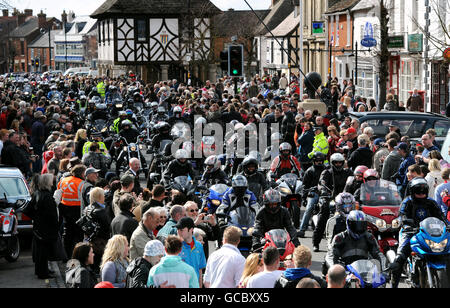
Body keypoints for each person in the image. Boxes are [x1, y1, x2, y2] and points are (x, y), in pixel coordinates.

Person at [390, 178, 448, 288]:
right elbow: (402, 216)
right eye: (418, 190)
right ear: (412, 191)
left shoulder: (431, 202)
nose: (421, 193)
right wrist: (406, 224)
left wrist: (447, 224)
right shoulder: (407, 202)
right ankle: (394, 284)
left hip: (429, 234)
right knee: (399, 258)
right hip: (410, 232)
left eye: (423, 190)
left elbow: (441, 216)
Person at [312, 153, 352, 252]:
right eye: (336, 162)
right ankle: (316, 243)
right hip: (329, 198)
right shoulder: (327, 172)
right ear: (332, 163)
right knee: (324, 214)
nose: (338, 164)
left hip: (344, 199)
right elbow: (321, 183)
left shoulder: (347, 173)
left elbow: (353, 182)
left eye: (340, 162)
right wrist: (323, 191)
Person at [25, 174, 60, 279]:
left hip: (39, 228)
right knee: (43, 252)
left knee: (40, 251)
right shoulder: (47, 196)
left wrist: (36, 218)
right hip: (46, 229)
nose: (52, 182)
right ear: (47, 182)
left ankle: (41, 270)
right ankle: (43, 273)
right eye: (51, 180)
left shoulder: (37, 193)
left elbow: (27, 210)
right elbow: (52, 215)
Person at [57, 164, 86, 257]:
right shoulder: (82, 183)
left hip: (64, 208)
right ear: (82, 173)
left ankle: (66, 255)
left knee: (67, 233)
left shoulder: (63, 181)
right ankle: (78, 255)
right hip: (77, 210)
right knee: (78, 234)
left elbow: (58, 193)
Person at [82, 187, 112, 273]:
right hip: (100, 242)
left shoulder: (87, 208)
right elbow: (108, 226)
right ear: (99, 197)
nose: (104, 197)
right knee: (98, 265)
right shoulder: (101, 211)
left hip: (90, 239)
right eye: (103, 195)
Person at [298, 152, 326, 237]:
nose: (319, 162)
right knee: (309, 208)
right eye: (317, 161)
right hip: (313, 193)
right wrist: (304, 197)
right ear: (314, 161)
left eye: (321, 161)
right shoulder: (310, 171)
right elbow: (304, 185)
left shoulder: (326, 170)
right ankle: (302, 230)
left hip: (324, 193)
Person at [176, 217, 207, 287]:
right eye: (177, 229)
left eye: (181, 230)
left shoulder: (199, 246)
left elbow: (200, 269)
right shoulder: (175, 246)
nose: (178, 232)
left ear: (191, 230)